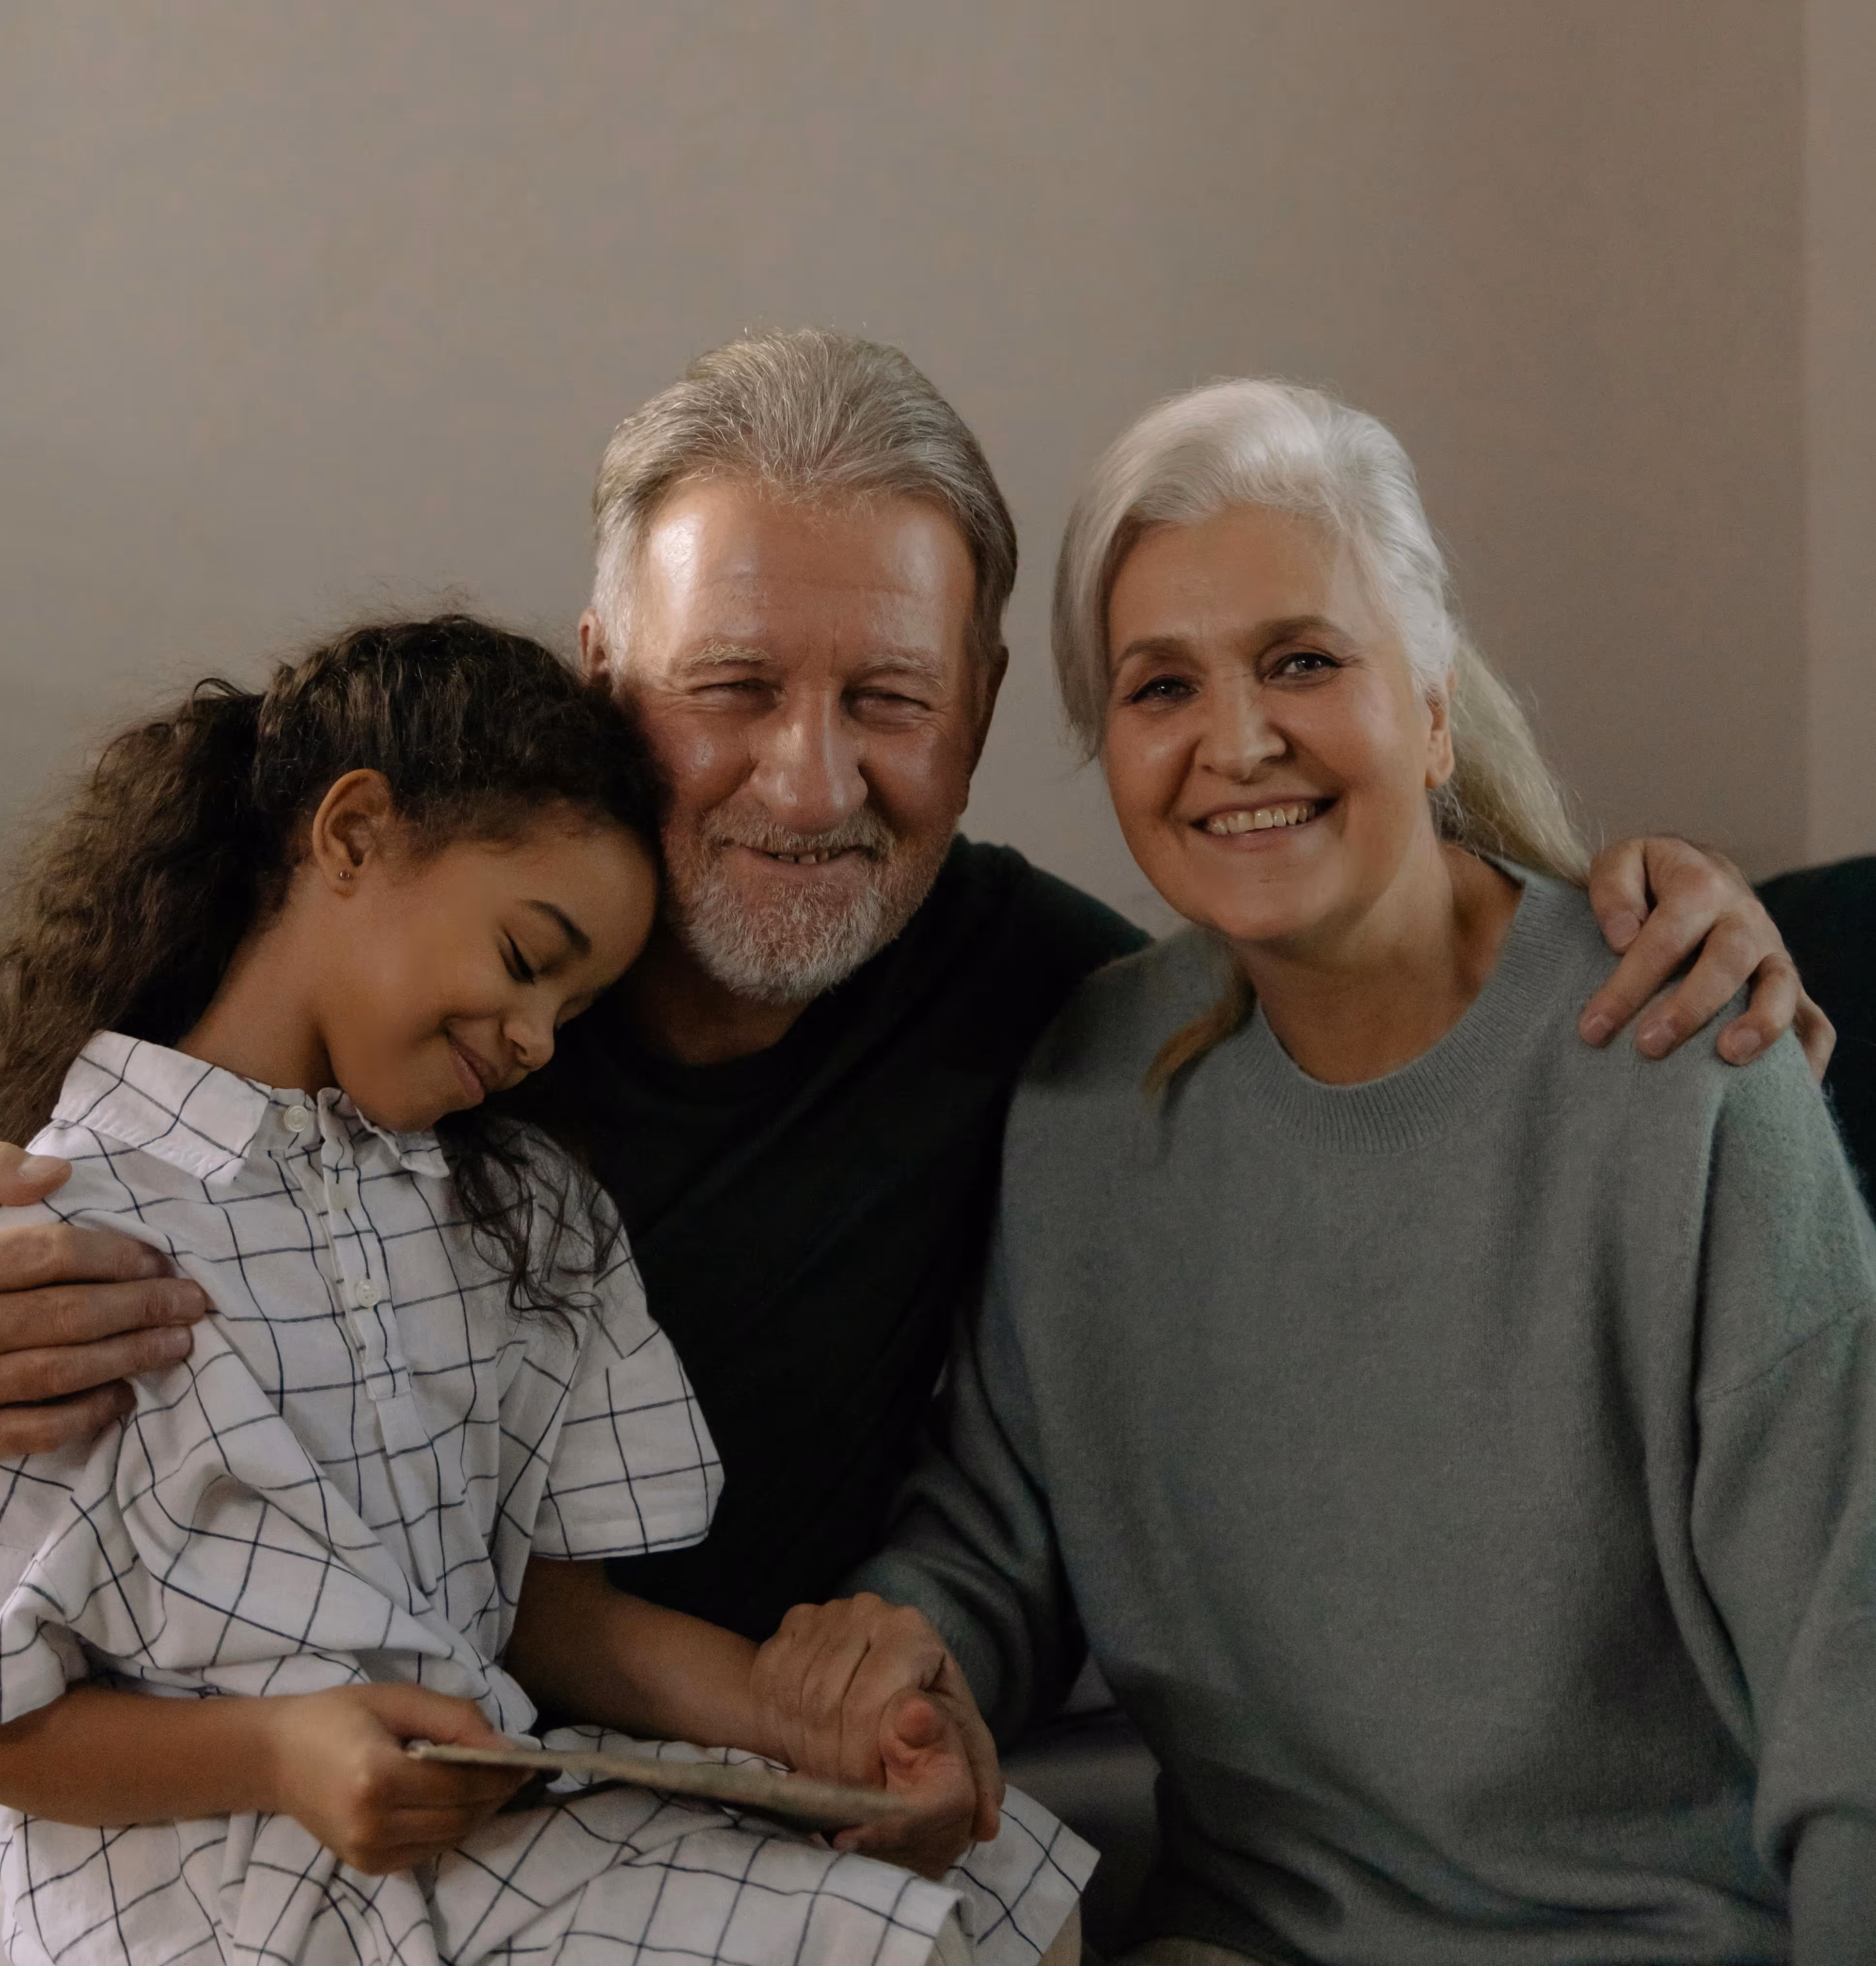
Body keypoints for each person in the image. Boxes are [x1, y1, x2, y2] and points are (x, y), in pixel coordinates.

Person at [0, 334, 1831, 1932]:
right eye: (733, 685)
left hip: (733, 1796)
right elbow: (10, 1283)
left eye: (891, 699)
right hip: (296, 1821)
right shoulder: (411, 1011)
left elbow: (1339, 959)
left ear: (1001, 704)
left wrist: (1640, 902)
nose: (809, 778)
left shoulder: (1078, 1023)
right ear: (603, 673)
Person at [766, 381, 1876, 1964]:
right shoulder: (1088, 1090)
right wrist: (901, 1657)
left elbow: (1859, 1690)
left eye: (1302, 660)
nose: (1237, 741)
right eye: (1161, 687)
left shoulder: (1683, 1071)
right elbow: (1001, 1531)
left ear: (1430, 707)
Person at [0, 613, 1091, 1966]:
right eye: (525, 959)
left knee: (1011, 1879)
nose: (532, 1040)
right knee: (892, 1946)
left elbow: (548, 1616)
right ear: (351, 839)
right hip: (203, 1889)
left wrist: (804, 1726)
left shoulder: (518, 1209)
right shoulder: (66, 1233)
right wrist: (282, 1753)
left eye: (572, 1010)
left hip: (465, 1831)